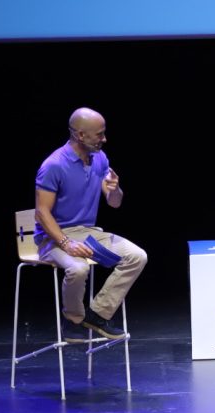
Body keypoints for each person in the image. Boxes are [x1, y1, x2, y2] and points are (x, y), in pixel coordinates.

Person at [34, 107, 147, 342]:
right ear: (80, 135)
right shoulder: (54, 165)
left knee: (137, 256)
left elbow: (114, 203)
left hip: (87, 233)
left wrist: (115, 190)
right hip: (53, 236)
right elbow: (42, 212)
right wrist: (66, 243)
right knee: (78, 268)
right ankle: (73, 322)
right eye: (99, 134)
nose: (104, 139)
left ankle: (96, 315)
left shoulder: (100, 158)